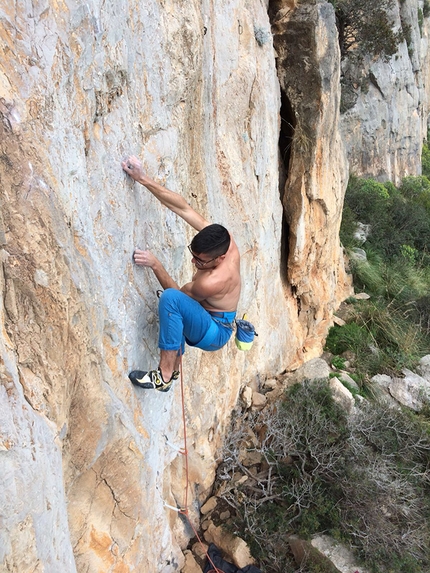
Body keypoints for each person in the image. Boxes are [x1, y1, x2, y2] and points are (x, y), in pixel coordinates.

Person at [122, 155, 241, 392]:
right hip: (208, 317)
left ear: (220, 259)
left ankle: (164, 376)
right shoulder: (224, 241)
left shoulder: (211, 282)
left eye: (200, 261)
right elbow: (182, 208)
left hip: (215, 332)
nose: (193, 261)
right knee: (176, 306)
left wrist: (156, 265)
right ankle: (174, 366)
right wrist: (143, 179)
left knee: (170, 300)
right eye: (193, 254)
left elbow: (175, 296)